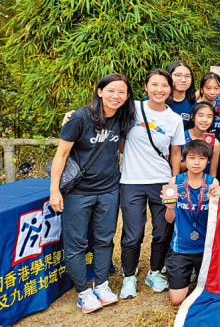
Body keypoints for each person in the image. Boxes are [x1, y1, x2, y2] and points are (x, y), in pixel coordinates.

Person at [49, 73, 136, 314]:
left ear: (127, 96)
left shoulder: (123, 117)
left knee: (104, 238)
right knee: (76, 242)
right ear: (99, 91)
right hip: (78, 191)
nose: (116, 96)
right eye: (111, 90)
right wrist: (54, 190)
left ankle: (101, 284)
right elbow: (61, 155)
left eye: (122, 92)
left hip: (109, 189)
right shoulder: (79, 117)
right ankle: (83, 291)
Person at [119, 69, 185, 299]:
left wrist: (174, 180)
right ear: (146, 87)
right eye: (154, 85)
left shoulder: (174, 119)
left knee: (163, 230)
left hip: (161, 180)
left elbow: (176, 152)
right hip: (132, 181)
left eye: (164, 85)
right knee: (133, 233)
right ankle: (129, 276)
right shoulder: (133, 108)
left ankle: (154, 272)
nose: (159, 89)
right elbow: (106, 117)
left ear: (170, 89)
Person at [163, 140, 219, 306]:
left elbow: (217, 220)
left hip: (206, 248)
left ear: (207, 161)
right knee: (176, 300)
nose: (196, 162)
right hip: (182, 248)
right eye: (192, 157)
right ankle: (185, 272)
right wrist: (170, 208)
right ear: (184, 160)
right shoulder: (175, 182)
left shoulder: (212, 184)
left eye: (201, 158)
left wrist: (213, 202)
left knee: (213, 294)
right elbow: (169, 220)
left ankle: (196, 273)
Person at [181, 102, 220, 178]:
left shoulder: (215, 143)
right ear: (193, 117)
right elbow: (176, 168)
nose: (205, 120)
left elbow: (213, 173)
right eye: (200, 115)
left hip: (204, 185)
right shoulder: (182, 136)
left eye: (209, 116)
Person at [167, 61, 196, 130]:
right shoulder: (158, 100)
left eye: (187, 76)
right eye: (178, 75)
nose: (183, 80)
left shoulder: (194, 105)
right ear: (169, 76)